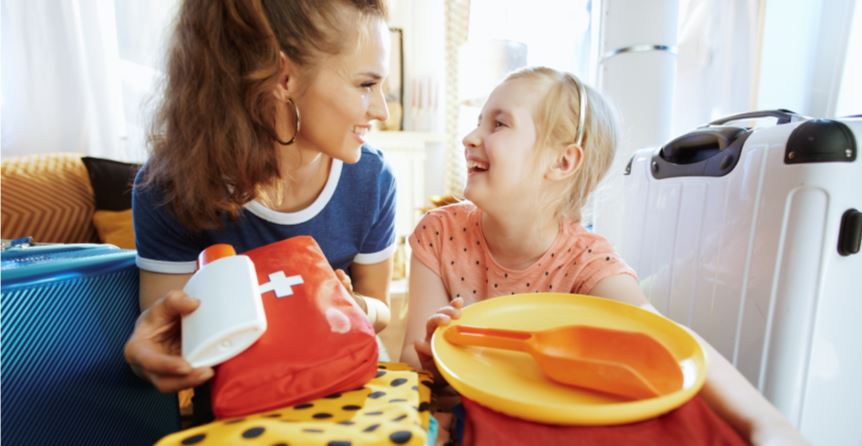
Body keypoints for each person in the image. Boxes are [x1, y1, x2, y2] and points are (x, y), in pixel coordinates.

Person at [400, 66, 808, 445]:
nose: (469, 138)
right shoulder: (439, 234)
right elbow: (414, 371)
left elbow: (668, 340)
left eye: (499, 124)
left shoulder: (586, 262)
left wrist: (764, 423)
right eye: (478, 121)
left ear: (562, 162)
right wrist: (432, 364)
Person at [124, 0, 396, 401]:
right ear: (284, 77)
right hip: (241, 412)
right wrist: (143, 357)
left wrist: (358, 307)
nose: (383, 111)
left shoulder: (372, 180)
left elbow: (380, 308)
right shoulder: (169, 189)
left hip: (347, 397)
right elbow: (169, 331)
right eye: (365, 85)